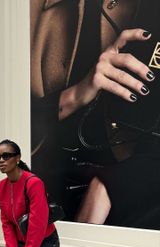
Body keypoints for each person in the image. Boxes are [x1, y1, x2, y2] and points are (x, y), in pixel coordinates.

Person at [30, 0, 160, 229]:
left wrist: (112, 184)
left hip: (126, 212)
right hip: (32, 202)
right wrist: (76, 95)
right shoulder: (21, 13)